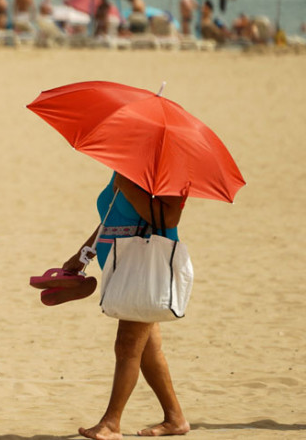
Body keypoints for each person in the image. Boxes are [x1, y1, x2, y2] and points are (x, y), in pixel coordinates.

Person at [63, 172, 190, 440]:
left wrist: (130, 188)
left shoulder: (165, 170)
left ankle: (111, 423)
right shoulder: (125, 167)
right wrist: (83, 253)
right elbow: (110, 218)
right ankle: (175, 418)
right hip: (122, 267)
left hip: (143, 268)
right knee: (149, 349)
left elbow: (169, 218)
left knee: (127, 345)